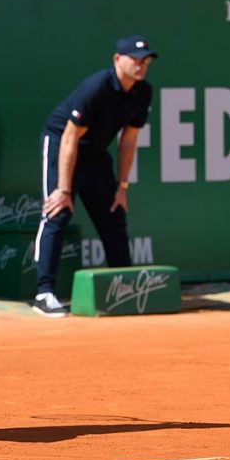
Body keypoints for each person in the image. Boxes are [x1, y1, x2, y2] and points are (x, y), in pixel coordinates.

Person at [31, 36, 157, 317]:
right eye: (135, 59)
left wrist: (122, 186)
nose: (141, 65)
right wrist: (63, 189)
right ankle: (44, 292)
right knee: (57, 212)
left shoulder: (143, 92)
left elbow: (128, 140)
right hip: (63, 144)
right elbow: (69, 137)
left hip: (96, 153)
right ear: (117, 60)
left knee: (114, 213)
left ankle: (125, 286)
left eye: (145, 60)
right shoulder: (97, 86)